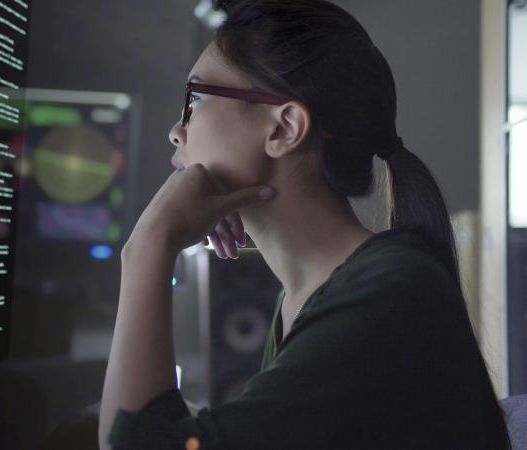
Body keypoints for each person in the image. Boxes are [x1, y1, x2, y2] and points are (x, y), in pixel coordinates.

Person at [98, 0, 513, 448]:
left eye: (195, 98)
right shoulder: (303, 297)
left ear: (284, 128)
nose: (176, 130)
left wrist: (147, 247)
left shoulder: (390, 290)